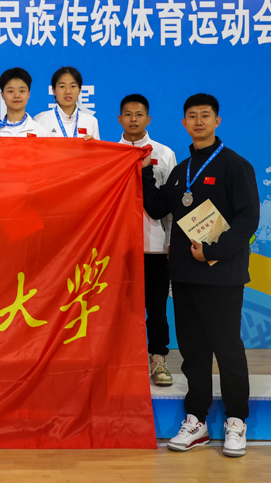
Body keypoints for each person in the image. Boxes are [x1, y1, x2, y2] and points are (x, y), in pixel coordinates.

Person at [141, 93, 259, 458]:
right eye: (191, 116)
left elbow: (248, 221)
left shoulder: (235, 166)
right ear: (184, 123)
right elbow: (157, 207)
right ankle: (197, 420)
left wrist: (212, 251)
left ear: (217, 121)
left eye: (205, 115)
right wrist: (143, 169)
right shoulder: (181, 172)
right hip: (185, 276)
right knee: (192, 352)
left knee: (227, 349)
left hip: (222, 276)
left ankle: (236, 420)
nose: (198, 121)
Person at [116, 94, 177, 386]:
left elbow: (172, 205)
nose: (133, 119)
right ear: (119, 119)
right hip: (117, 247)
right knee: (120, 309)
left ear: (148, 119)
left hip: (154, 246)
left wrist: (171, 242)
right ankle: (121, 362)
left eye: (139, 114)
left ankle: (158, 361)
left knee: (156, 309)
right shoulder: (109, 153)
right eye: (128, 114)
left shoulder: (164, 153)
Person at [0, 68, 50, 137]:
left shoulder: (40, 132)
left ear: (28, 94)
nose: (17, 95)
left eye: (22, 91)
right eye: (10, 91)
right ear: (2, 95)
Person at [34, 67, 100, 140]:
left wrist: (93, 144)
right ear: (54, 90)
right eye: (62, 86)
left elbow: (97, 148)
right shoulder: (41, 120)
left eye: (73, 86)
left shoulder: (91, 121)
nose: (68, 91)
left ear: (79, 90)